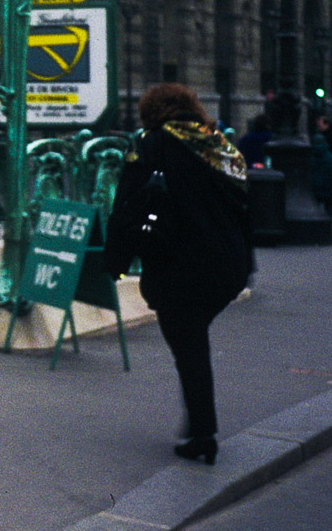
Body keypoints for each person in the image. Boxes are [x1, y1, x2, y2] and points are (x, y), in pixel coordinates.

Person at [103, 83, 252, 467]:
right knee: (192, 341)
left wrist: (113, 261)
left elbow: (127, 204)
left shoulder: (153, 143)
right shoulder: (218, 143)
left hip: (180, 264)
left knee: (189, 347)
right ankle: (200, 427)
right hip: (230, 264)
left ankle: (203, 434)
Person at [311, 113, 332, 216]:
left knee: (321, 191)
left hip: (323, 169)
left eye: (320, 125)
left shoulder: (331, 136)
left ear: (327, 125)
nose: (319, 128)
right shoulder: (327, 136)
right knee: (329, 191)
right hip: (329, 167)